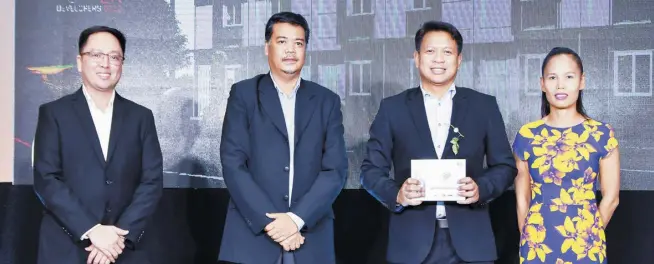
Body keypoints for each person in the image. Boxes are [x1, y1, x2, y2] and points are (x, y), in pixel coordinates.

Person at [360, 21, 517, 264]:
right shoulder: (392, 108)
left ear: (459, 59)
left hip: (471, 242)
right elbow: (369, 171)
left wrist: (480, 188)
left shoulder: (483, 106)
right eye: (430, 51)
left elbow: (505, 167)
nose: (439, 59)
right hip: (411, 244)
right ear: (417, 57)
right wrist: (398, 194)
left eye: (447, 52)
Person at [219, 12, 347, 264]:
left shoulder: (326, 101)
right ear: (267, 48)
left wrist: (296, 220)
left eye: (298, 43)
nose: (291, 50)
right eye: (282, 42)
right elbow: (233, 164)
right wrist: (273, 224)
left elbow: (335, 170)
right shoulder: (244, 94)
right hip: (252, 239)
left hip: (311, 237)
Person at [32, 26, 163, 264]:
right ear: (80, 62)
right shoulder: (54, 114)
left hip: (125, 248)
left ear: (122, 63)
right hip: (66, 248)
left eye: (114, 57)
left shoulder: (141, 117)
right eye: (96, 55)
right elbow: (47, 178)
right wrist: (92, 230)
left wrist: (117, 238)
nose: (106, 64)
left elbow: (151, 181)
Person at [513, 47, 620, 264]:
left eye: (569, 77)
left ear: (582, 81)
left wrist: (590, 233)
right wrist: (529, 236)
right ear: (542, 83)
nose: (560, 85)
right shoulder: (527, 135)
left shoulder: (601, 134)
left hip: (587, 244)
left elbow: (611, 199)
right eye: (552, 77)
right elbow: (522, 199)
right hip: (536, 244)